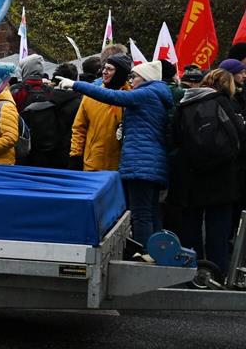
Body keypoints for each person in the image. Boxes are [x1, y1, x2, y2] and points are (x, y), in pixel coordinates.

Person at [58, 60, 172, 252]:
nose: (132, 80)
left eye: (135, 77)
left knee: (141, 214)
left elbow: (111, 96)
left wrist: (76, 84)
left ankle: (145, 253)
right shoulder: (157, 94)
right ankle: (159, 251)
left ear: (145, 78)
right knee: (151, 211)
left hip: (140, 163)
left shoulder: (145, 93)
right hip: (149, 163)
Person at [170, 68, 246, 280]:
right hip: (222, 175)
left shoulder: (185, 103)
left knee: (191, 224)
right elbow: (240, 136)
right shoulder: (225, 103)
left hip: (191, 173)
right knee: (218, 228)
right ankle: (216, 271)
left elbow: (175, 136)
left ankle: (189, 269)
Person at [11, 56, 81, 169]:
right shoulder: (51, 92)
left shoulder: (16, 91)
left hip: (21, 145)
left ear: (25, 69)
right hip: (48, 147)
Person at [68, 53, 131, 172]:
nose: (104, 72)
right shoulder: (91, 95)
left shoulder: (131, 97)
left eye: (109, 69)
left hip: (120, 167)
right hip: (93, 164)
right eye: (104, 68)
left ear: (120, 73)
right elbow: (79, 128)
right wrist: (75, 155)